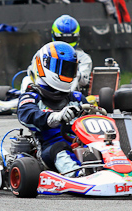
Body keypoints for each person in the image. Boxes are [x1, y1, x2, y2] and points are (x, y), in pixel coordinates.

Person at [17, 42, 84, 176]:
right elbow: (27, 116)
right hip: (49, 148)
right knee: (60, 148)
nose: (66, 73)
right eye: (62, 69)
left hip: (79, 143)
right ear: (45, 66)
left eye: (69, 69)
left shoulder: (77, 98)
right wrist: (56, 117)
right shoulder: (32, 96)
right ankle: (76, 175)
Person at [51, 15, 93, 93]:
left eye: (69, 39)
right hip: (47, 90)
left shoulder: (83, 58)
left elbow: (84, 81)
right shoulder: (46, 53)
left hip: (72, 93)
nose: (66, 42)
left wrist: (68, 72)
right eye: (63, 39)